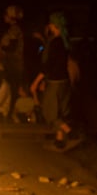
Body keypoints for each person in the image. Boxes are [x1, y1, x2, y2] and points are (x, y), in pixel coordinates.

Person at [30, 11, 75, 146]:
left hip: (55, 81)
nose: (48, 26)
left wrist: (36, 82)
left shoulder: (56, 42)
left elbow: (49, 65)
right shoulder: (65, 41)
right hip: (64, 81)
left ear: (54, 25)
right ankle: (59, 139)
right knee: (60, 111)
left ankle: (69, 130)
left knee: (49, 111)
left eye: (50, 23)